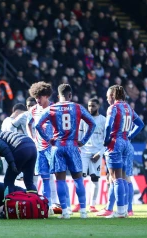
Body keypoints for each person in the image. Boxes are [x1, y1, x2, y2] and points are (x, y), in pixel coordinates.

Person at [35, 84, 96, 219]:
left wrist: (48, 139)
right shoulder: (77, 107)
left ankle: (65, 212)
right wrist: (84, 140)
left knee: (60, 180)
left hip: (58, 147)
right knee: (78, 179)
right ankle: (84, 212)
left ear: (58, 96)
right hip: (73, 145)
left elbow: (37, 125)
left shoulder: (52, 108)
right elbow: (92, 123)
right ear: (70, 95)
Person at [102, 85, 144, 218]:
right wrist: (130, 135)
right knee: (125, 179)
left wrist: (107, 139)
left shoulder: (113, 108)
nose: (107, 98)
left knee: (116, 178)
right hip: (127, 143)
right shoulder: (129, 108)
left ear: (113, 96)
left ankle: (120, 212)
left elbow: (108, 125)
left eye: (108, 96)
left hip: (116, 143)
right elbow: (141, 124)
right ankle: (125, 209)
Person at [26, 82, 59, 214]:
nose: (37, 100)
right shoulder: (33, 110)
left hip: (53, 148)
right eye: (35, 98)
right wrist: (32, 138)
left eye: (40, 97)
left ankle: (63, 204)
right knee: (45, 178)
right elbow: (29, 124)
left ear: (46, 96)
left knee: (57, 176)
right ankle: (48, 205)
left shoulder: (54, 108)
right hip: (40, 148)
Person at [73, 98, 106, 213]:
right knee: (80, 178)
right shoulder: (83, 120)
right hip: (84, 152)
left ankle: (92, 205)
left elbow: (107, 141)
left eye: (93, 106)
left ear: (99, 106)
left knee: (95, 180)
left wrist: (100, 153)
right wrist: (79, 149)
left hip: (96, 153)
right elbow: (79, 136)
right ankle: (79, 203)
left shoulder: (103, 120)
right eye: (89, 106)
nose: (90, 108)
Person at [0, 128, 37, 195]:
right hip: (32, 147)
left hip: (20, 147)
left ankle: (8, 202)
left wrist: (11, 163)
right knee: (28, 180)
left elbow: (4, 148)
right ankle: (35, 201)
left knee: (8, 180)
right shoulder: (4, 134)